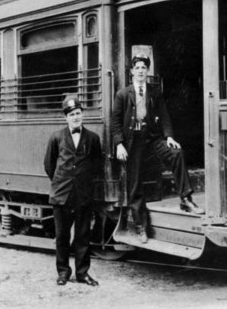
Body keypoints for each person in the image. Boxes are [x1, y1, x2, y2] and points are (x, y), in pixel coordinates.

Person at [111, 53, 202, 244]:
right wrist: (119, 143)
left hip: (152, 140)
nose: (141, 71)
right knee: (134, 184)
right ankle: (140, 226)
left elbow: (165, 116)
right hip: (132, 144)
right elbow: (115, 122)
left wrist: (169, 137)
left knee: (176, 153)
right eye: (137, 68)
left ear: (147, 71)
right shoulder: (122, 94)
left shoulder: (154, 93)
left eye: (144, 68)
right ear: (132, 72)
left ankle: (186, 199)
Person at [44, 95, 103, 286]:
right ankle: (63, 272)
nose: (76, 117)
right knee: (62, 236)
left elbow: (96, 165)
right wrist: (63, 182)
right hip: (62, 195)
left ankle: (82, 273)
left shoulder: (93, 138)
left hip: (83, 195)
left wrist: (83, 183)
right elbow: (49, 165)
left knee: (83, 236)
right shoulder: (56, 137)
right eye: (72, 114)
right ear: (66, 118)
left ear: (82, 115)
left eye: (78, 113)